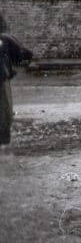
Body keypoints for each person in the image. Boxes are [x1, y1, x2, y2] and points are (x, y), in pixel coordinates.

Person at [0, 13, 34, 146]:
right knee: (4, 110)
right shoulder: (5, 38)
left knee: (4, 110)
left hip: (2, 76)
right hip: (2, 78)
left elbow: (23, 53)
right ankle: (3, 141)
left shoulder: (4, 39)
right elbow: (23, 54)